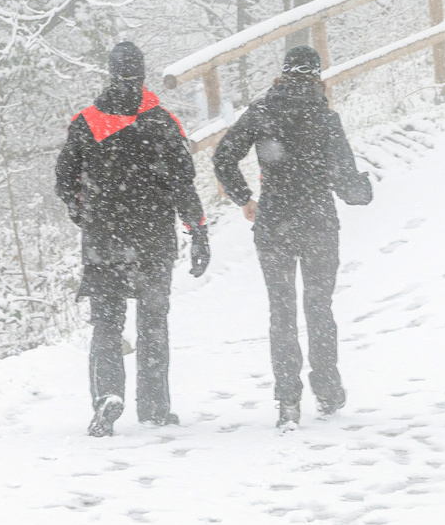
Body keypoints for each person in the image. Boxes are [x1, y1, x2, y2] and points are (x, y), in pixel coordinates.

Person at [213, 45, 372, 430]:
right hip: (317, 222)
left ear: (282, 75)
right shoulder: (324, 118)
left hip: (274, 222)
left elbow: (222, 157)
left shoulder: (262, 111)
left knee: (281, 311)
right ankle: (327, 388)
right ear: (317, 77)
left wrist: (244, 199)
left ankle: (287, 398)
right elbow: (347, 181)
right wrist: (361, 191)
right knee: (319, 306)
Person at [56, 42, 209, 435]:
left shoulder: (86, 122)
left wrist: (83, 213)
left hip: (105, 239)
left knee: (107, 325)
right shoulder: (162, 122)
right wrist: (198, 231)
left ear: (110, 73)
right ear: (142, 74)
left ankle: (107, 396)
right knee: (153, 323)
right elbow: (182, 184)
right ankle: (155, 407)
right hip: (153, 240)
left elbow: (64, 181)